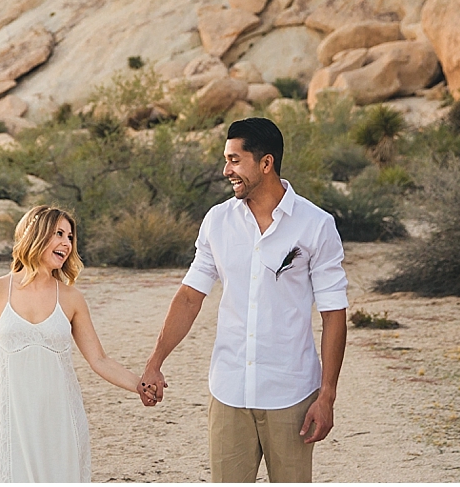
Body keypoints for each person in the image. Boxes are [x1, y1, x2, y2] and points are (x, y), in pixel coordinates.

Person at [137, 117, 348, 483]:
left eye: (235, 160)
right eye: (226, 159)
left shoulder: (316, 224)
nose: (226, 170)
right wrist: (155, 361)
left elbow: (334, 314)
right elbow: (189, 297)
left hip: (292, 393)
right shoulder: (217, 221)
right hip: (229, 390)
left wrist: (326, 396)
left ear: (265, 163)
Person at [0, 205, 150, 482]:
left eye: (70, 237)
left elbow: (99, 360)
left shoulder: (71, 298)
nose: (66, 243)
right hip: (11, 419)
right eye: (58, 233)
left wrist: (140, 385)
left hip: (60, 419)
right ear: (35, 234)